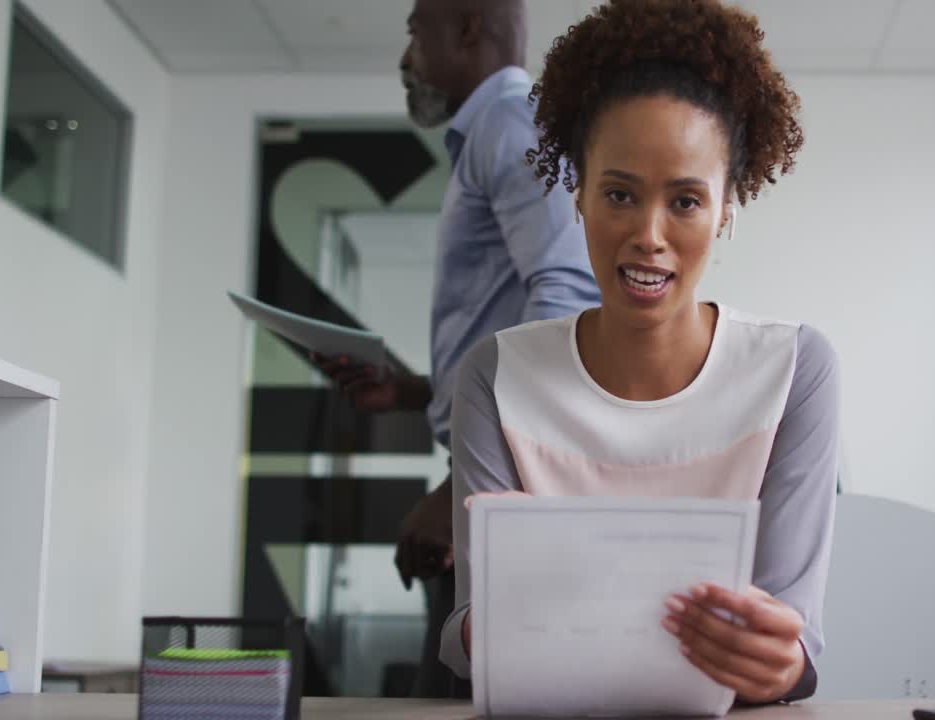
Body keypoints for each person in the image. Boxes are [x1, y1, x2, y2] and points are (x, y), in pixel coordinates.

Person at [440, 0, 839, 705]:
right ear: (578, 197)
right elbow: (470, 638)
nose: (649, 235)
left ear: (726, 209)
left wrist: (780, 662)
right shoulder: (496, 376)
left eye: (685, 202)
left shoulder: (793, 371)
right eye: (620, 194)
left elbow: (794, 636)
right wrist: (500, 610)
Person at [317, 0, 600, 698]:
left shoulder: (509, 123)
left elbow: (565, 300)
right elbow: (510, 319)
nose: (406, 57)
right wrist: (416, 391)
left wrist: (461, 494)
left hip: (501, 476)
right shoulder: (497, 133)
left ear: (469, 29)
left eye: (415, 33)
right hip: (492, 467)